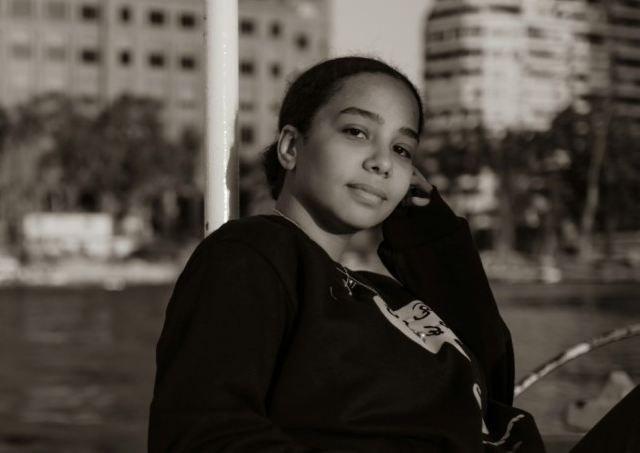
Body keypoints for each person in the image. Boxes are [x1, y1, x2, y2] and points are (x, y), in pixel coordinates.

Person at [148, 56, 639, 452]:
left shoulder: (385, 294)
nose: (383, 161)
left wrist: (429, 229)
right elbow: (204, 435)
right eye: (357, 132)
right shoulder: (253, 256)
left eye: (403, 149)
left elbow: (491, 388)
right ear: (291, 146)